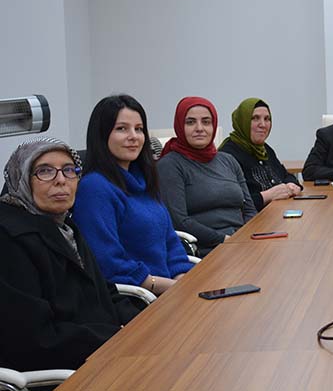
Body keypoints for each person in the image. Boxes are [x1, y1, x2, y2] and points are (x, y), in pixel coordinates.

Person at [0, 138, 138, 371]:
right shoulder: (9, 239)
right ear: (21, 178)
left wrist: (143, 324)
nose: (61, 180)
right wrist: (114, 338)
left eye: (69, 170)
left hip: (103, 350)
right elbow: (35, 339)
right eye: (45, 171)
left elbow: (104, 291)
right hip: (64, 370)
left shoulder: (64, 227)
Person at [74, 95, 193, 296]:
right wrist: (171, 288)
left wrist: (182, 278)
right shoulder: (94, 188)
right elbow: (109, 263)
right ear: (102, 135)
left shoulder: (144, 180)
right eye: (122, 128)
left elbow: (170, 243)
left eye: (139, 129)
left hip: (169, 292)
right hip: (138, 298)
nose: (134, 136)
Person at [158, 96, 256, 256]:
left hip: (242, 242)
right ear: (180, 125)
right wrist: (225, 239)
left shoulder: (228, 160)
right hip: (206, 249)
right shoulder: (170, 165)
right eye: (190, 122)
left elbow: (250, 209)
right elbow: (179, 221)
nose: (199, 128)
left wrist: (247, 236)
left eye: (206, 122)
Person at [219, 97, 302, 212]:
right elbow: (231, 203)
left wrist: (291, 185)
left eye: (267, 119)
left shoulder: (264, 149)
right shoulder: (227, 155)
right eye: (255, 118)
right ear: (243, 121)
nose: (263, 124)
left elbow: (285, 175)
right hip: (252, 220)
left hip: (276, 212)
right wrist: (267, 196)